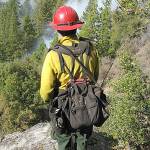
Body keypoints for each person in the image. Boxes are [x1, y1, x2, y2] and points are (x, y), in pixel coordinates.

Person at [40, 6, 99, 150]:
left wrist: (49, 100)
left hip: (63, 107)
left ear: (57, 29)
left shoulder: (53, 55)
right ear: (77, 27)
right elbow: (94, 78)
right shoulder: (90, 49)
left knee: (64, 139)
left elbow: (45, 92)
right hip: (86, 102)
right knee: (82, 138)